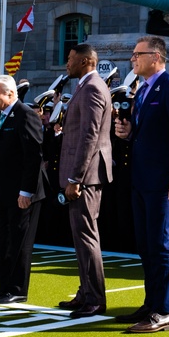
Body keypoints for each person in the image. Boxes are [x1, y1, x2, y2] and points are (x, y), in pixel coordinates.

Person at [117, 36, 169, 334]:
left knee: (161, 245)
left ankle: (164, 311)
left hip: (162, 182)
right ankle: (151, 303)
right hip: (141, 178)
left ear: (156, 57)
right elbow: (147, 134)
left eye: (138, 54)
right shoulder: (142, 90)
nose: (133, 59)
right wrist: (127, 132)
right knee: (146, 245)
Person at [0, 75, 45, 304]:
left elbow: (33, 156)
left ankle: (17, 289)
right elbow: (1, 150)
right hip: (3, 189)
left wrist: (26, 192)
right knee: (4, 240)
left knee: (19, 241)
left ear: (11, 94)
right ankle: (4, 285)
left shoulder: (26, 115)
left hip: (22, 192)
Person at [58, 44, 113, 318]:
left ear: (87, 61)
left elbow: (89, 136)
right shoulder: (85, 85)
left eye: (71, 59)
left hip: (85, 177)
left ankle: (94, 298)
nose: (67, 63)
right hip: (83, 175)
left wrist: (74, 177)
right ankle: (86, 292)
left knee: (87, 236)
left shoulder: (92, 87)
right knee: (81, 237)